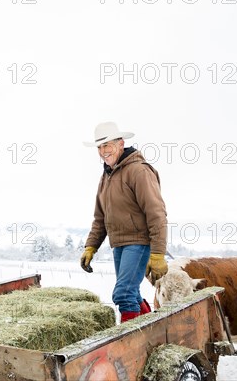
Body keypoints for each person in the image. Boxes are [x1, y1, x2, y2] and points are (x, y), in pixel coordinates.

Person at [80, 122, 168, 322]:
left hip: (139, 242)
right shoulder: (106, 177)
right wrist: (90, 247)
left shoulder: (139, 171)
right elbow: (100, 218)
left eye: (107, 145)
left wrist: (157, 253)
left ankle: (127, 346)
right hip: (119, 244)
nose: (103, 151)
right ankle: (150, 330)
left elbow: (157, 213)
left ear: (121, 144)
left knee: (123, 294)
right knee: (132, 293)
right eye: (100, 147)